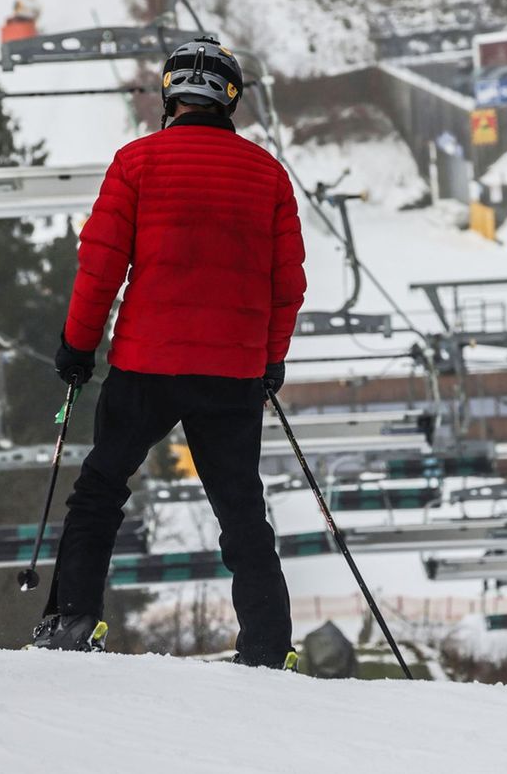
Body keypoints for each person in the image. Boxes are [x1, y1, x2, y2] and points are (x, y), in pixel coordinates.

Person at [32, 36, 306, 663]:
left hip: (145, 365)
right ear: (229, 102)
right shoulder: (267, 174)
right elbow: (287, 282)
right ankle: (267, 645)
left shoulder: (135, 162)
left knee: (101, 487)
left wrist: (77, 347)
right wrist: (269, 359)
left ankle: (73, 621)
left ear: (170, 95)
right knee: (241, 510)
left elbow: (100, 269)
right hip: (231, 371)